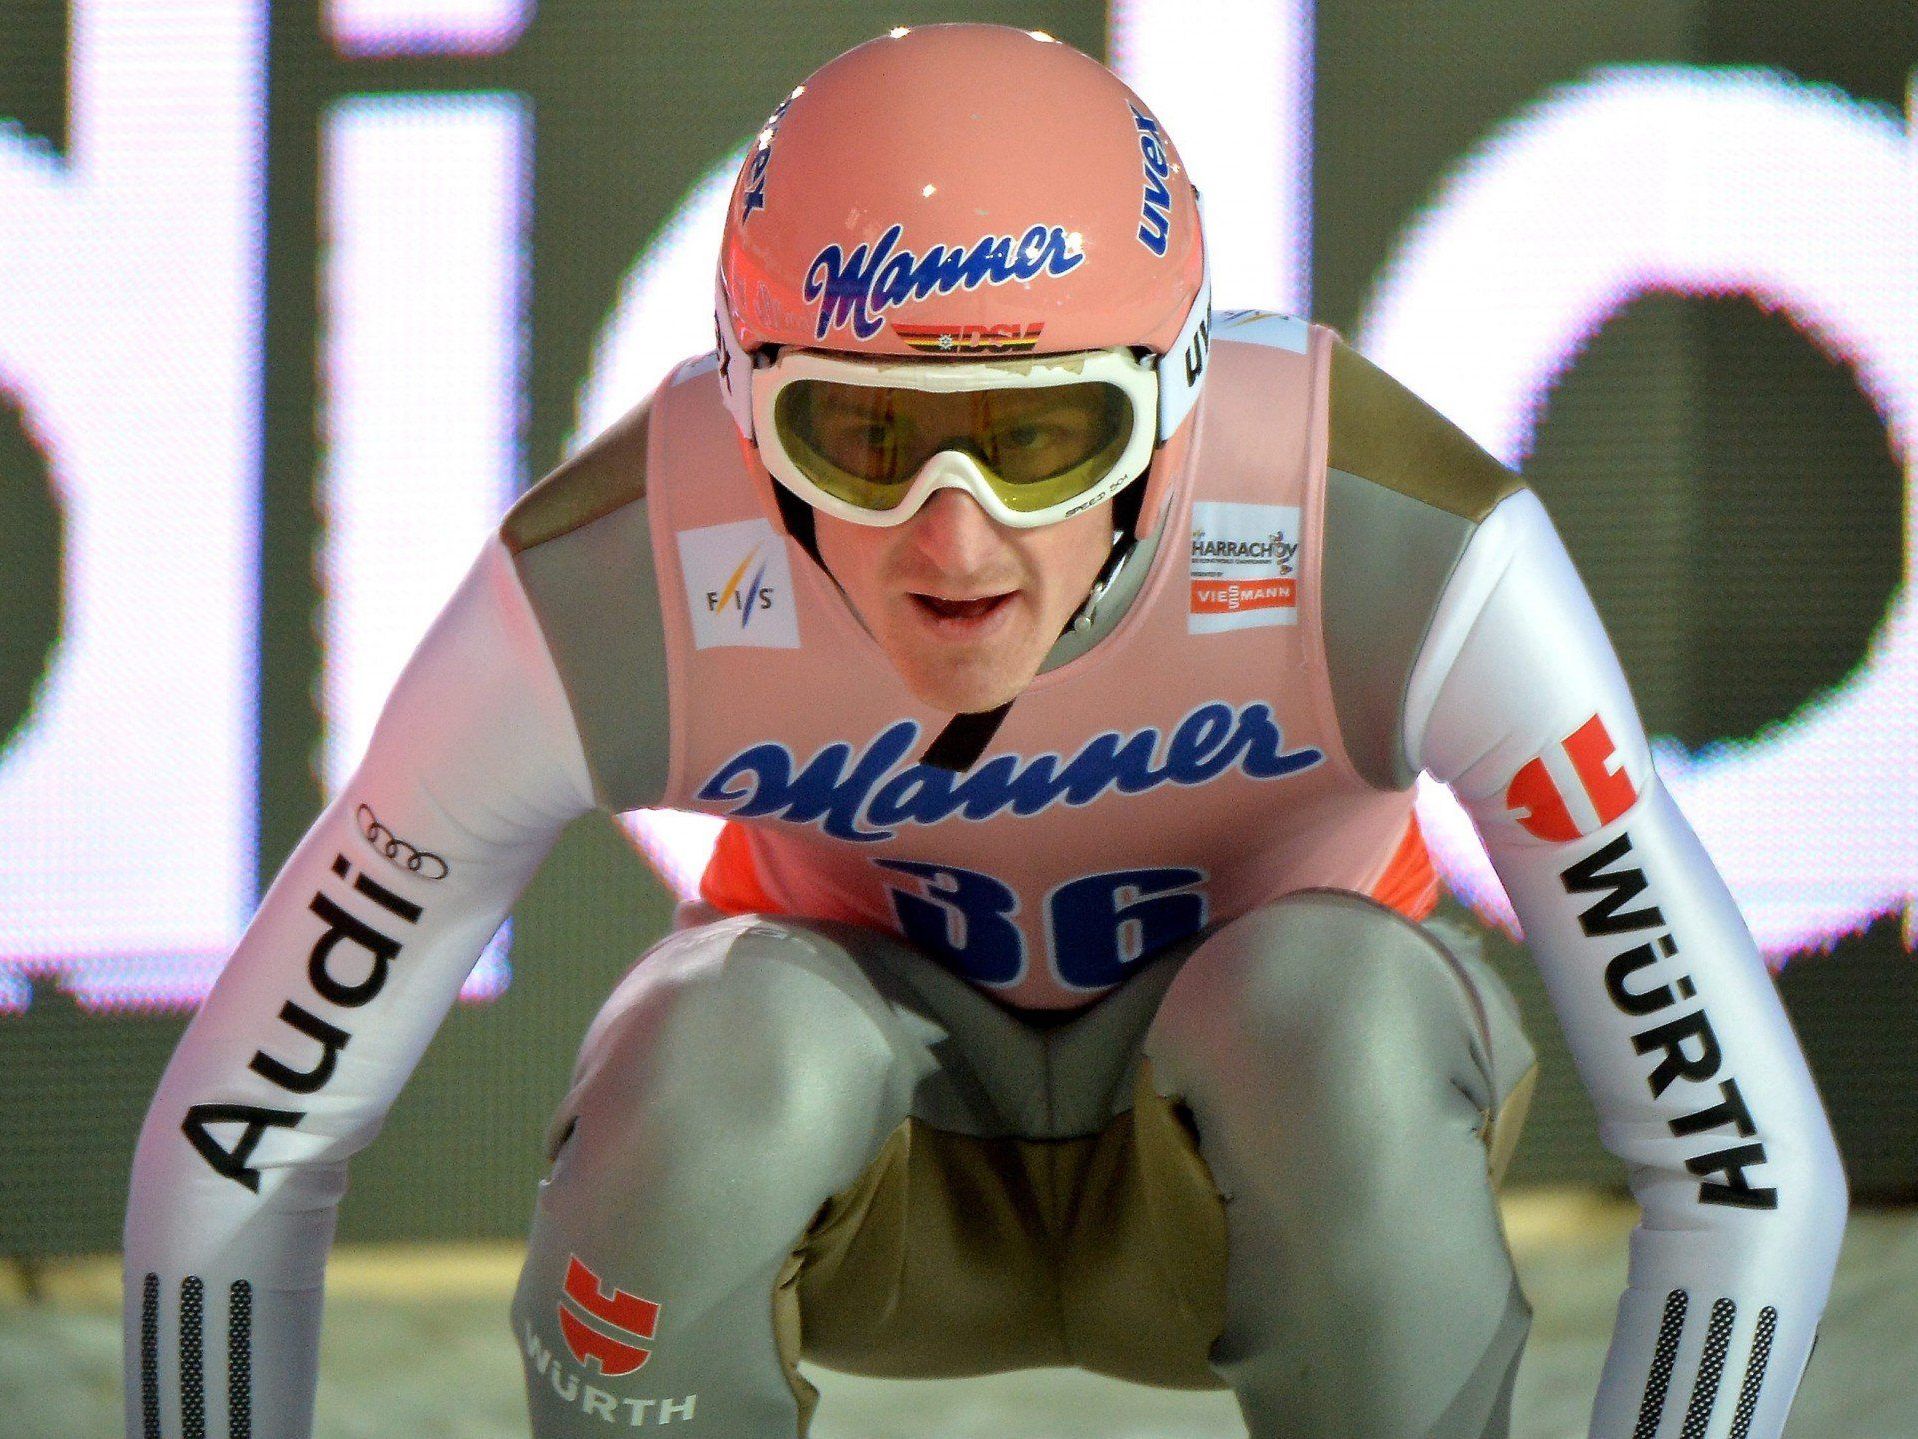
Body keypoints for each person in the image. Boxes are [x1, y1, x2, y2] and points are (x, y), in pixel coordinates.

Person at [124, 24, 1847, 1439]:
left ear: (1176, 408)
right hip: (869, 1172)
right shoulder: (616, 568)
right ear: (740, 405)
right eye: (864, 440)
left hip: (1270, 1161)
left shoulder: (1388, 530)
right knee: (718, 1056)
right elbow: (247, 1137)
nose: (952, 541)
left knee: (1325, 1006)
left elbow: (1738, 1169)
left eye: (1037, 440)